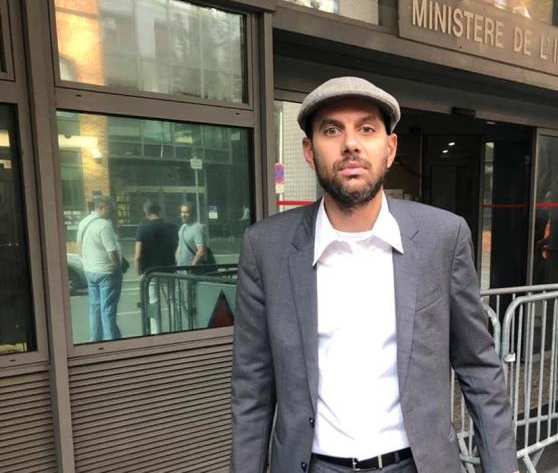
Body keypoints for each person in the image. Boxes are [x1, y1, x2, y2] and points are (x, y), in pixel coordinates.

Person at [231, 77, 518, 473]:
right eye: (332, 130)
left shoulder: (442, 237)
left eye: (366, 129)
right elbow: (252, 388)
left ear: (390, 148)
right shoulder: (266, 247)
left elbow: (479, 366)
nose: (351, 143)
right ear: (309, 152)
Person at [77, 196, 123, 342]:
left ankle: (95, 339)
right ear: (102, 207)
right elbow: (112, 252)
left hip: (90, 270)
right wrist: (119, 267)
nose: (113, 211)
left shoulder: (84, 222)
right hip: (107, 272)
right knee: (108, 309)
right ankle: (111, 341)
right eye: (111, 207)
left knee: (95, 307)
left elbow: (79, 246)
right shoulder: (104, 225)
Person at [134, 200, 178, 334]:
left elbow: (137, 255)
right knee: (172, 300)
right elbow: (178, 248)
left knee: (153, 302)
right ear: (159, 210)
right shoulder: (172, 227)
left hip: (151, 272)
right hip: (170, 270)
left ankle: (156, 332)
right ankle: (175, 329)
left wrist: (138, 271)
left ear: (146, 212)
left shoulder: (142, 228)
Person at [176, 202, 207, 266]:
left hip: (191, 270)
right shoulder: (183, 227)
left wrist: (192, 266)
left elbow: (201, 251)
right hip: (180, 268)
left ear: (193, 214)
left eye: (186, 212)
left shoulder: (197, 228)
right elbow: (180, 246)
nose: (183, 215)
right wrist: (178, 262)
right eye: (182, 212)